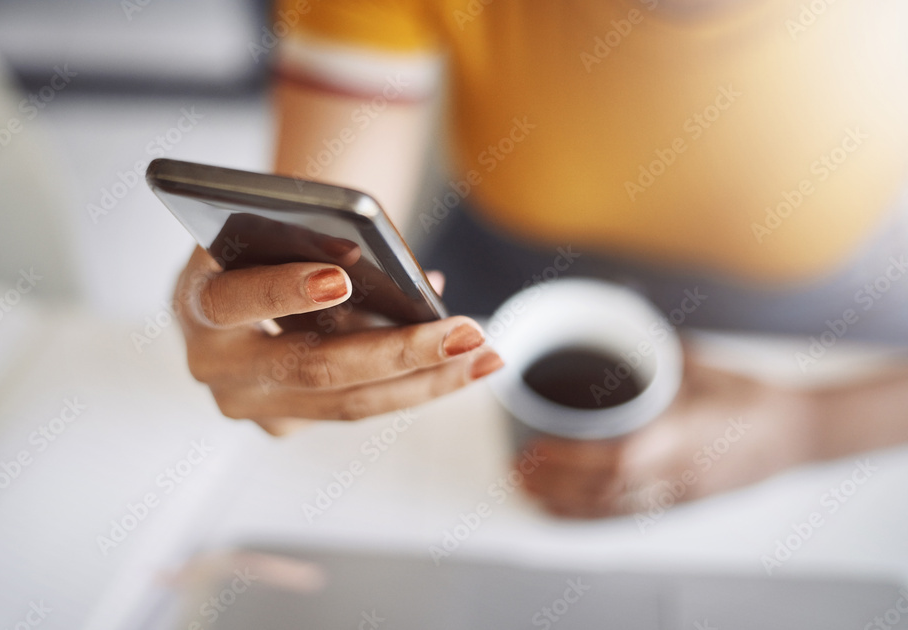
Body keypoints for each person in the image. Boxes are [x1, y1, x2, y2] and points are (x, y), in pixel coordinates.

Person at [174, 0, 908, 517]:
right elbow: (319, 220)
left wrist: (810, 427)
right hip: (501, 275)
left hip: (824, 328)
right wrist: (240, 299)